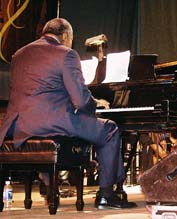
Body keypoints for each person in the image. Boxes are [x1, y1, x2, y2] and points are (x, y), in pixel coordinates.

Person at [0, 18, 136, 209]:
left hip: (18, 125)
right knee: (110, 129)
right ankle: (107, 195)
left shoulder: (18, 55)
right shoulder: (66, 54)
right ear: (65, 36)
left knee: (87, 127)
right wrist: (93, 107)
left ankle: (49, 184)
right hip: (53, 122)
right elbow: (80, 100)